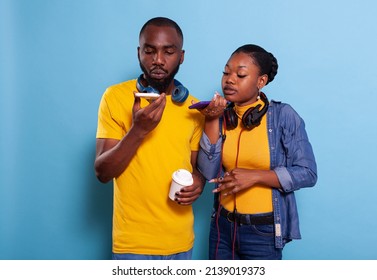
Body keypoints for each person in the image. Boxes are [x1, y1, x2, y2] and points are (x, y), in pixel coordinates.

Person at [94, 17, 205, 260]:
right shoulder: (115, 97)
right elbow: (102, 172)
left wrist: (200, 182)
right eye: (150, 50)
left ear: (181, 56)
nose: (158, 60)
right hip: (133, 246)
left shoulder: (195, 108)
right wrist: (138, 131)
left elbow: (195, 171)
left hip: (181, 242)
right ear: (139, 52)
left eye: (169, 51)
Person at [196, 44, 317, 260]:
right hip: (221, 229)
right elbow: (207, 172)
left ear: (261, 81)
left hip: (262, 232)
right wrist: (211, 119)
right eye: (226, 72)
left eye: (240, 74)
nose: (229, 79)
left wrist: (256, 177)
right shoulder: (221, 116)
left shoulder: (283, 117)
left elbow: (307, 173)